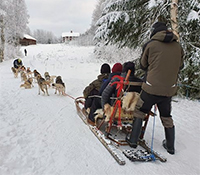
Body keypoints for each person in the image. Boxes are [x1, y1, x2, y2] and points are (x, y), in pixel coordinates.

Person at [126, 22, 184, 155]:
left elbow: (142, 64)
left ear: (154, 32)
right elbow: (180, 66)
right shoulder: (178, 46)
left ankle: (133, 140)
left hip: (151, 88)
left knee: (140, 111)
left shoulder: (150, 44)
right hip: (169, 89)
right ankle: (170, 146)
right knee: (166, 116)